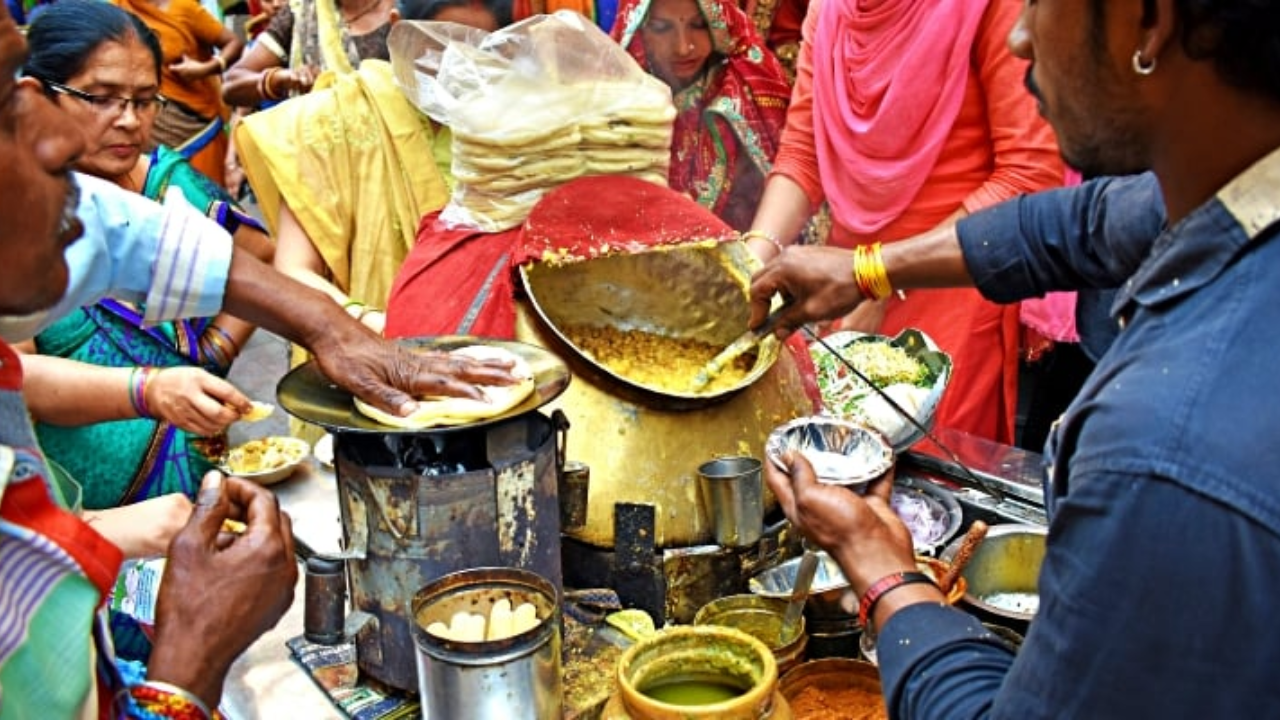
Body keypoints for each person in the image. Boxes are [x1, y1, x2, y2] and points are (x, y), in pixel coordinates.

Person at [749, 0, 1280, 714]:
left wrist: (883, 574)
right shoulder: (1234, 184)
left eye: (1040, 5)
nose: (1023, 38)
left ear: (1147, 24)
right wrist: (867, 269)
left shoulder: (1162, 452)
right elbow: (1077, 224)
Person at [0, 4, 518, 714]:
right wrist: (188, 663)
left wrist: (334, 328)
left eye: (144, 101)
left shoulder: (67, 202)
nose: (58, 136)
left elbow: (132, 239)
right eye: (5, 99)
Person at [745, 0, 1063, 445]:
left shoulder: (996, 8)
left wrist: (880, 274)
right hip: (840, 290)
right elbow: (804, 150)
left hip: (953, 283)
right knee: (833, 464)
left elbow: (1028, 175)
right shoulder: (831, 8)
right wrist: (749, 264)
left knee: (929, 487)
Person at [19, 1, 273, 539]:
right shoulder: (19, 213)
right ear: (37, 98)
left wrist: (215, 350)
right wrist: (150, 389)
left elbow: (258, 260)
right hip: (91, 507)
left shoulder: (168, 185)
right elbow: (18, 378)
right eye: (102, 99)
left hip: (196, 471)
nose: (129, 120)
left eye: (143, 101)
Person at [611, 0, 791, 231]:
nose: (683, 47)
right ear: (636, 28)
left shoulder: (751, 82)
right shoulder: (615, 96)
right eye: (661, 28)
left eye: (698, 25)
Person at [111, 0, 243, 186]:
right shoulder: (116, 10)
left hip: (196, 128)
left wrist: (207, 68)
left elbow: (234, 42)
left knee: (210, 207)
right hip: (147, 132)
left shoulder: (183, 8)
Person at [221, 0, 400, 108]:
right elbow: (231, 83)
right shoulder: (301, 11)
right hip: (334, 159)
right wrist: (281, 79)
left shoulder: (409, 6)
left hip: (410, 146)